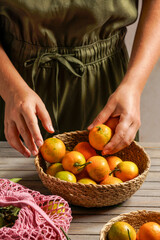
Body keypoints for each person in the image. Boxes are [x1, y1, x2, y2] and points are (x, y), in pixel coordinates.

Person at [0, 0, 159, 158]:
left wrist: (133, 87)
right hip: (13, 82)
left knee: (109, 176)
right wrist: (10, 88)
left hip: (106, 87)